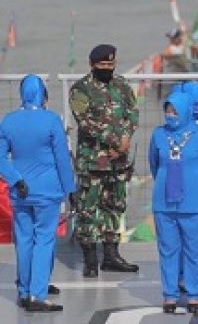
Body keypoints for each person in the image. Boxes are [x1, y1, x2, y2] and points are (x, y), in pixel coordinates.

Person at [0, 75, 76, 312]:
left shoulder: (8, 121)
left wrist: (16, 179)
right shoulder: (52, 120)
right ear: (43, 95)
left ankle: (24, 290)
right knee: (44, 239)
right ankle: (37, 294)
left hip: (21, 191)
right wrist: (70, 189)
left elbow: (1, 158)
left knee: (23, 240)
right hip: (47, 190)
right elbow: (62, 160)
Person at [69, 44, 139, 277]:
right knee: (88, 209)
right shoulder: (81, 89)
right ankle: (90, 260)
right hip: (93, 162)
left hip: (118, 161)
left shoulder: (122, 85)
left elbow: (132, 113)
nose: (107, 69)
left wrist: (125, 140)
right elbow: (85, 122)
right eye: (103, 65)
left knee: (115, 206)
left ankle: (111, 255)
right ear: (92, 65)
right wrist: (114, 141)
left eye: (111, 64)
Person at [149, 91, 198, 315]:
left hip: (194, 203)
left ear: (187, 110)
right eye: (167, 110)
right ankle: (169, 295)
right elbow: (153, 163)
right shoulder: (158, 135)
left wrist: (195, 181)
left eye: (175, 110)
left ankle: (193, 294)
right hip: (164, 203)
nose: (170, 114)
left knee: (194, 249)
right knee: (168, 250)